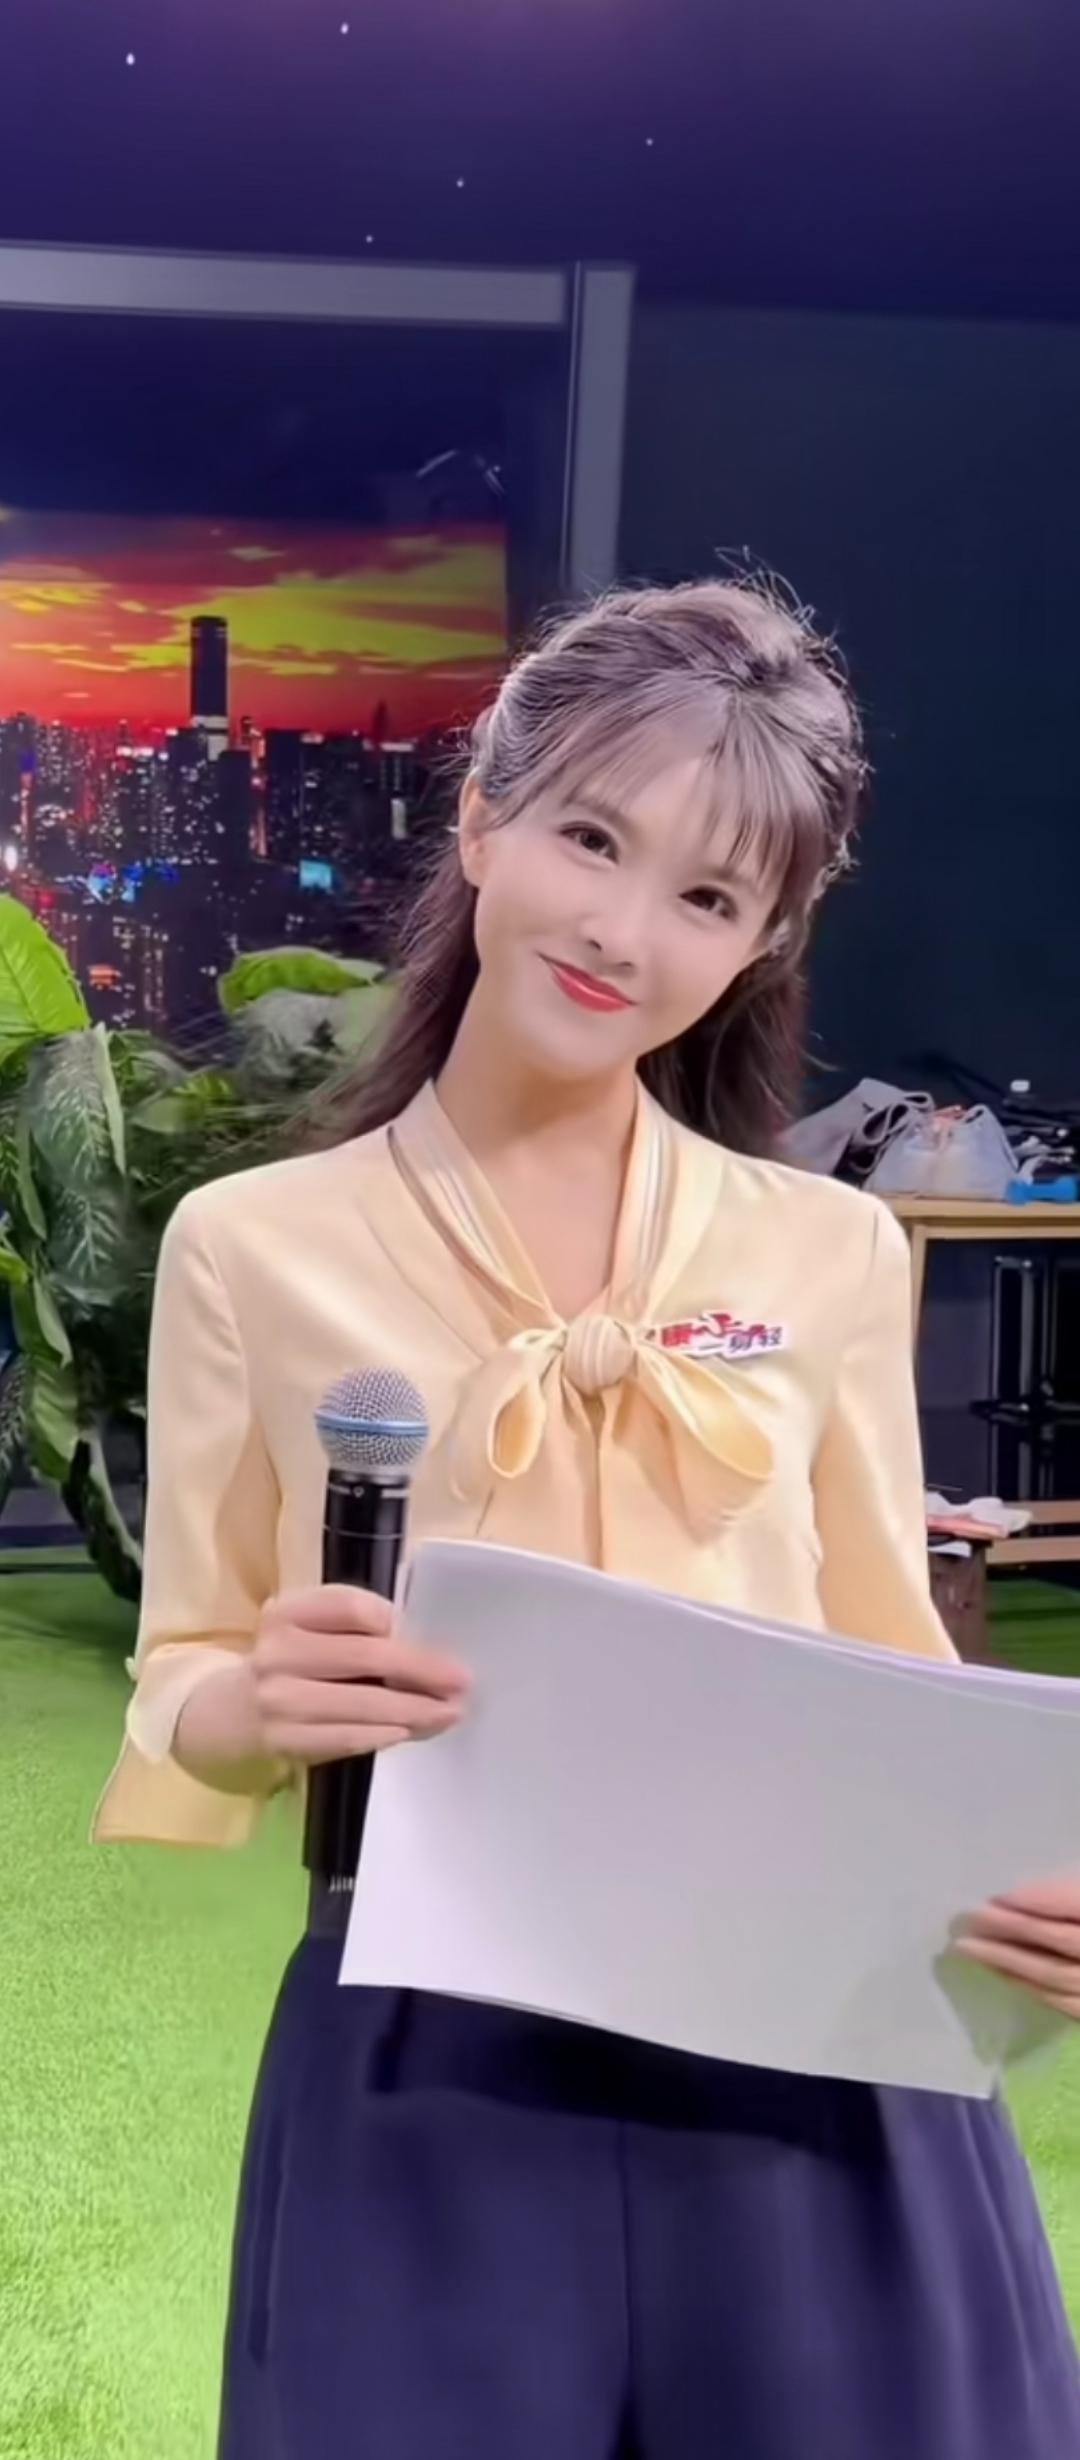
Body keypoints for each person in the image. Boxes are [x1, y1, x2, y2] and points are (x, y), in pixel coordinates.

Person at [94, 579, 1080, 2459]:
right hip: (426, 2037)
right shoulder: (250, 1246)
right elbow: (185, 1678)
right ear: (485, 816)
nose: (625, 930)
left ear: (766, 941)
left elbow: (894, 1653)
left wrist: (1025, 1881)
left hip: (815, 2028)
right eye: (593, 840)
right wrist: (259, 1700)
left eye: (708, 897)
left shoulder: (832, 1248)